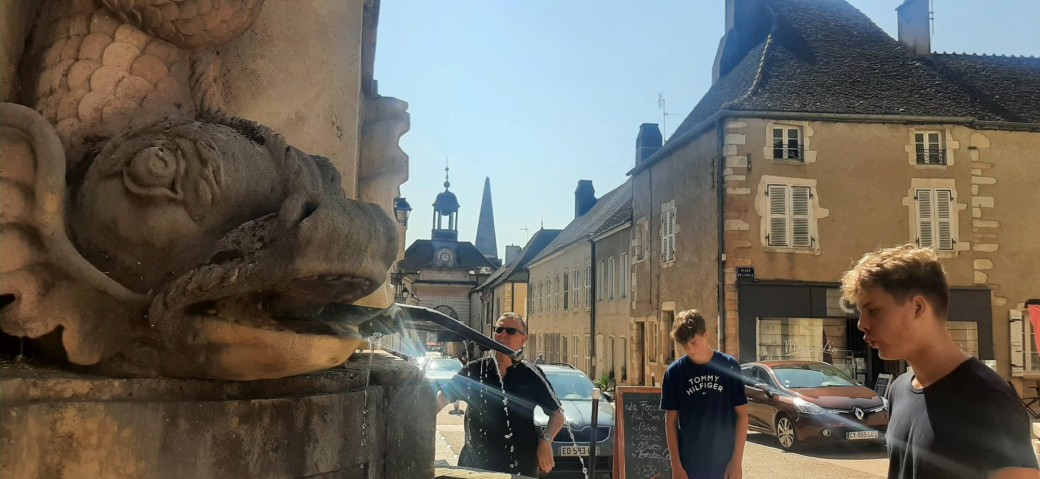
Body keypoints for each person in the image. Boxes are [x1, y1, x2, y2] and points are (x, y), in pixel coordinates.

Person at [841, 244, 1039, 479]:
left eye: (873, 310)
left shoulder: (988, 398)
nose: (861, 324)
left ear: (917, 307)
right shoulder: (899, 390)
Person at [437, 312, 566, 477]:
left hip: (521, 466)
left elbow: (557, 414)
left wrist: (546, 440)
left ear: (523, 340)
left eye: (510, 331)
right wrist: (419, 422)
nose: (503, 335)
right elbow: (441, 399)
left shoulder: (531, 374)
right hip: (477, 465)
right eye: (499, 330)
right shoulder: (475, 370)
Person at [661, 309, 748, 479]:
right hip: (689, 464)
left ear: (706, 335)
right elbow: (670, 421)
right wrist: (676, 466)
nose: (689, 349)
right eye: (684, 345)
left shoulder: (729, 366)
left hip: (724, 463)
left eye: (694, 342)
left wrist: (736, 463)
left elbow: (742, 416)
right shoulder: (674, 373)